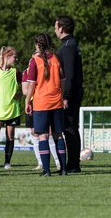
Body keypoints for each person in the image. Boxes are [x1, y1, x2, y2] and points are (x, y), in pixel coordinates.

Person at [25, 33, 68, 176]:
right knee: (58, 135)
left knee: (42, 136)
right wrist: (60, 96)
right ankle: (63, 169)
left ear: (37, 45)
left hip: (41, 103)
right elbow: (62, 80)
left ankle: (46, 170)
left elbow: (31, 84)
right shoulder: (56, 59)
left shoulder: (34, 61)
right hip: (56, 103)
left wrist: (27, 101)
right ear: (49, 44)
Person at [55, 15, 83, 173]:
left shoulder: (67, 47)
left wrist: (66, 96)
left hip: (70, 94)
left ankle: (73, 165)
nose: (55, 30)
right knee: (71, 127)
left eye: (56, 27)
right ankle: (72, 163)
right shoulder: (73, 44)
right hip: (74, 92)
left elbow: (69, 75)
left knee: (70, 128)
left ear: (61, 28)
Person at [0, 46, 21, 171]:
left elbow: (27, 83)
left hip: (12, 108)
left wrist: (21, 93)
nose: (16, 59)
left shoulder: (15, 72)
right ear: (6, 56)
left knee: (10, 135)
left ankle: (7, 162)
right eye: (14, 56)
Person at [21, 68, 60, 171]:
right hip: (33, 103)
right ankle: (40, 162)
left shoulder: (47, 68)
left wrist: (35, 87)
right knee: (35, 133)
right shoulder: (27, 72)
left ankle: (57, 161)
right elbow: (25, 91)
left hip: (45, 102)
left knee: (49, 132)